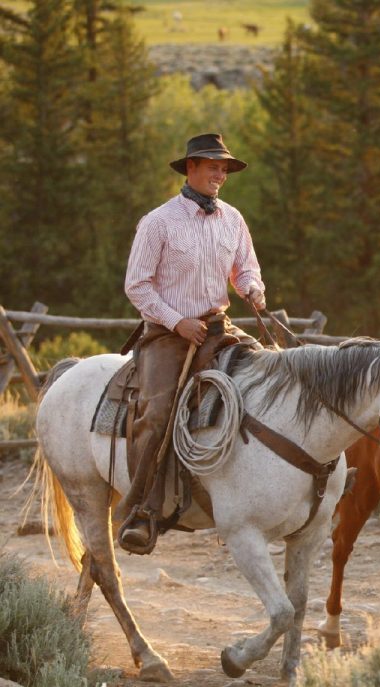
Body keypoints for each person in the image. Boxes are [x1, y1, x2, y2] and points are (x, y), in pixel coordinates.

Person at [119, 133, 266, 554]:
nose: (221, 173)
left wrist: (253, 289)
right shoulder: (159, 221)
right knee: (159, 411)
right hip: (168, 334)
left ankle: (253, 499)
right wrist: (175, 321)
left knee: (269, 378)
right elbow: (137, 286)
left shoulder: (233, 219)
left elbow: (246, 270)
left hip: (218, 327)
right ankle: (143, 510)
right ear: (191, 168)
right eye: (213, 166)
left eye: (224, 167)